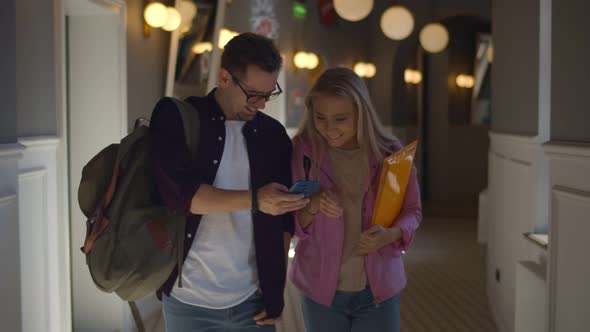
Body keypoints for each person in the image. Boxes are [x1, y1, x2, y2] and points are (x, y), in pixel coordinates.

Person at [150, 32, 308, 331]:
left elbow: (284, 224)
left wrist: (276, 289)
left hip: (254, 301)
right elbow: (184, 197)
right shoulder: (177, 116)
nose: (261, 104)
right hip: (188, 300)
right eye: (253, 94)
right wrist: (256, 199)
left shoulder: (273, 135)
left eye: (268, 93)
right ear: (224, 77)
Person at [289, 67, 422, 332]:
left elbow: (412, 212)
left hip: (379, 290)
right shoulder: (302, 151)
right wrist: (312, 204)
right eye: (320, 118)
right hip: (320, 289)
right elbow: (290, 221)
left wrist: (392, 234)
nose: (329, 128)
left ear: (361, 114)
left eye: (341, 119)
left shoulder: (390, 154)